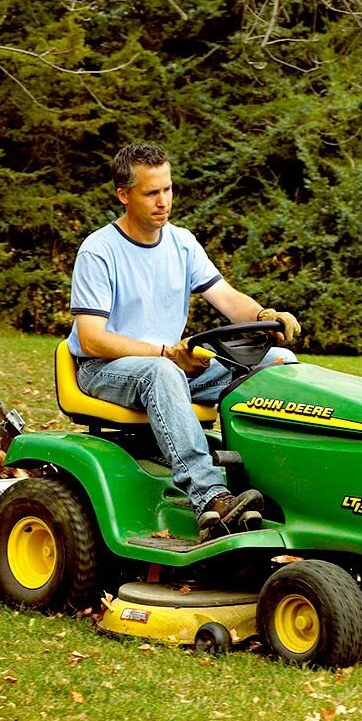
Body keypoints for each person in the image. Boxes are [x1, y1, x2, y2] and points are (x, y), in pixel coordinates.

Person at [68, 142, 301, 541]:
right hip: (105, 371)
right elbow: (92, 339)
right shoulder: (99, 250)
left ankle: (282, 483)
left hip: (172, 367)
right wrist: (165, 353)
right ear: (123, 194)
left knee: (276, 361)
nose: (164, 202)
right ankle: (211, 498)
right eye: (151, 192)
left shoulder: (182, 242)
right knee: (161, 372)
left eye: (168, 189)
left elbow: (226, 298)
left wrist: (265, 316)